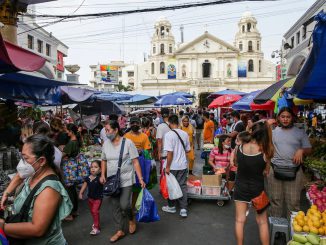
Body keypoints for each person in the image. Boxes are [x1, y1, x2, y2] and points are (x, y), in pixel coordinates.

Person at [0, 134, 72, 244]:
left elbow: (37, 229)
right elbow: (19, 175)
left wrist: (3, 227)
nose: (22, 163)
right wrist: (7, 192)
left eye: (25, 158)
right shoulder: (34, 171)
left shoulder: (49, 189)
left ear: (42, 160)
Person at [100, 120, 145, 243]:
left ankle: (131, 218)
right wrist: (103, 174)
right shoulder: (106, 144)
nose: (106, 133)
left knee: (124, 204)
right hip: (112, 180)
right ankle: (119, 230)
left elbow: (135, 161)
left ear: (115, 130)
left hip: (126, 179)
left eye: (108, 130)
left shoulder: (128, 143)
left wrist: (140, 178)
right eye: (105, 130)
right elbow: (103, 160)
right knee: (115, 206)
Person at [234, 121, 274, 245]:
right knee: (262, 222)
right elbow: (266, 172)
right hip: (258, 189)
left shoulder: (239, 147)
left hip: (240, 186)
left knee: (240, 220)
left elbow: (236, 164)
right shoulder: (265, 152)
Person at [267, 107, 312, 217]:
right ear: (278, 118)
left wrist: (301, 150)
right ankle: (276, 230)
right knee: (275, 201)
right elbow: (255, 135)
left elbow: (309, 149)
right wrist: (266, 124)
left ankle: (291, 231)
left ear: (292, 118)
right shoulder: (272, 132)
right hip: (275, 170)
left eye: (288, 117)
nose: (285, 119)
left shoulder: (300, 133)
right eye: (283, 117)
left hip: (294, 171)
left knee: (293, 203)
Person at [162, 114, 191, 218]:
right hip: (182, 165)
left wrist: (168, 166)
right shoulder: (184, 134)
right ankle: (183, 209)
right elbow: (188, 149)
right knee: (182, 185)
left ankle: (171, 206)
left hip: (172, 166)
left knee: (171, 186)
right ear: (178, 123)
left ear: (169, 123)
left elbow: (170, 153)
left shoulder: (169, 135)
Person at [62, 123, 81, 221]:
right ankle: (75, 211)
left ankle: (69, 214)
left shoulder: (71, 143)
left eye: (67, 130)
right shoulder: (76, 141)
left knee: (69, 191)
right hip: (73, 167)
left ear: (71, 132)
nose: (66, 132)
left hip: (69, 168)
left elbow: (63, 155)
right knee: (72, 190)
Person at [79, 160, 103, 236]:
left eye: (96, 167)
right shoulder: (88, 178)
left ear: (100, 169)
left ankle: (96, 228)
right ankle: (96, 223)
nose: (93, 169)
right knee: (93, 212)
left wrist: (103, 176)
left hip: (98, 199)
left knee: (95, 211)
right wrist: (81, 192)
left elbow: (104, 182)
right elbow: (84, 185)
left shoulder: (100, 178)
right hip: (90, 198)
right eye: (91, 167)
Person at [156, 108, 171, 172]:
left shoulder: (160, 126)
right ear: (169, 115)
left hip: (164, 154)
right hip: (173, 154)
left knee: (164, 174)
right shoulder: (173, 125)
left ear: (161, 115)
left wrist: (159, 153)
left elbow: (159, 141)